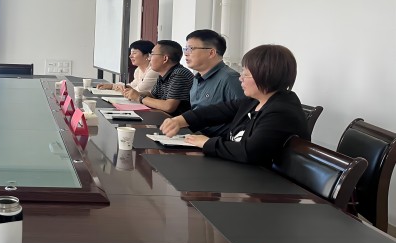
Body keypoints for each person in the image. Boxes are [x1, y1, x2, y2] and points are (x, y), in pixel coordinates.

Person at [161, 44, 310, 166]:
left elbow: (249, 152)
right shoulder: (254, 101)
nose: (240, 78)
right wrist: (180, 120)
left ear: (266, 76)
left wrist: (207, 143)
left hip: (265, 183)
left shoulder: (281, 112)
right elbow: (217, 111)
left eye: (246, 74)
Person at [184, 29, 245, 136]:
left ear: (211, 53)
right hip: (194, 136)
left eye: (191, 49)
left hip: (215, 141)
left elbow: (244, 117)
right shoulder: (196, 78)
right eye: (185, 49)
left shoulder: (230, 79)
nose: (186, 54)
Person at [122, 40, 193, 116]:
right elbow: (153, 95)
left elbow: (169, 106)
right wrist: (134, 93)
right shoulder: (163, 74)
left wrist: (139, 97)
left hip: (177, 122)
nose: (149, 58)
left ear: (165, 59)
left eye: (152, 54)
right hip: (165, 118)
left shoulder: (179, 74)